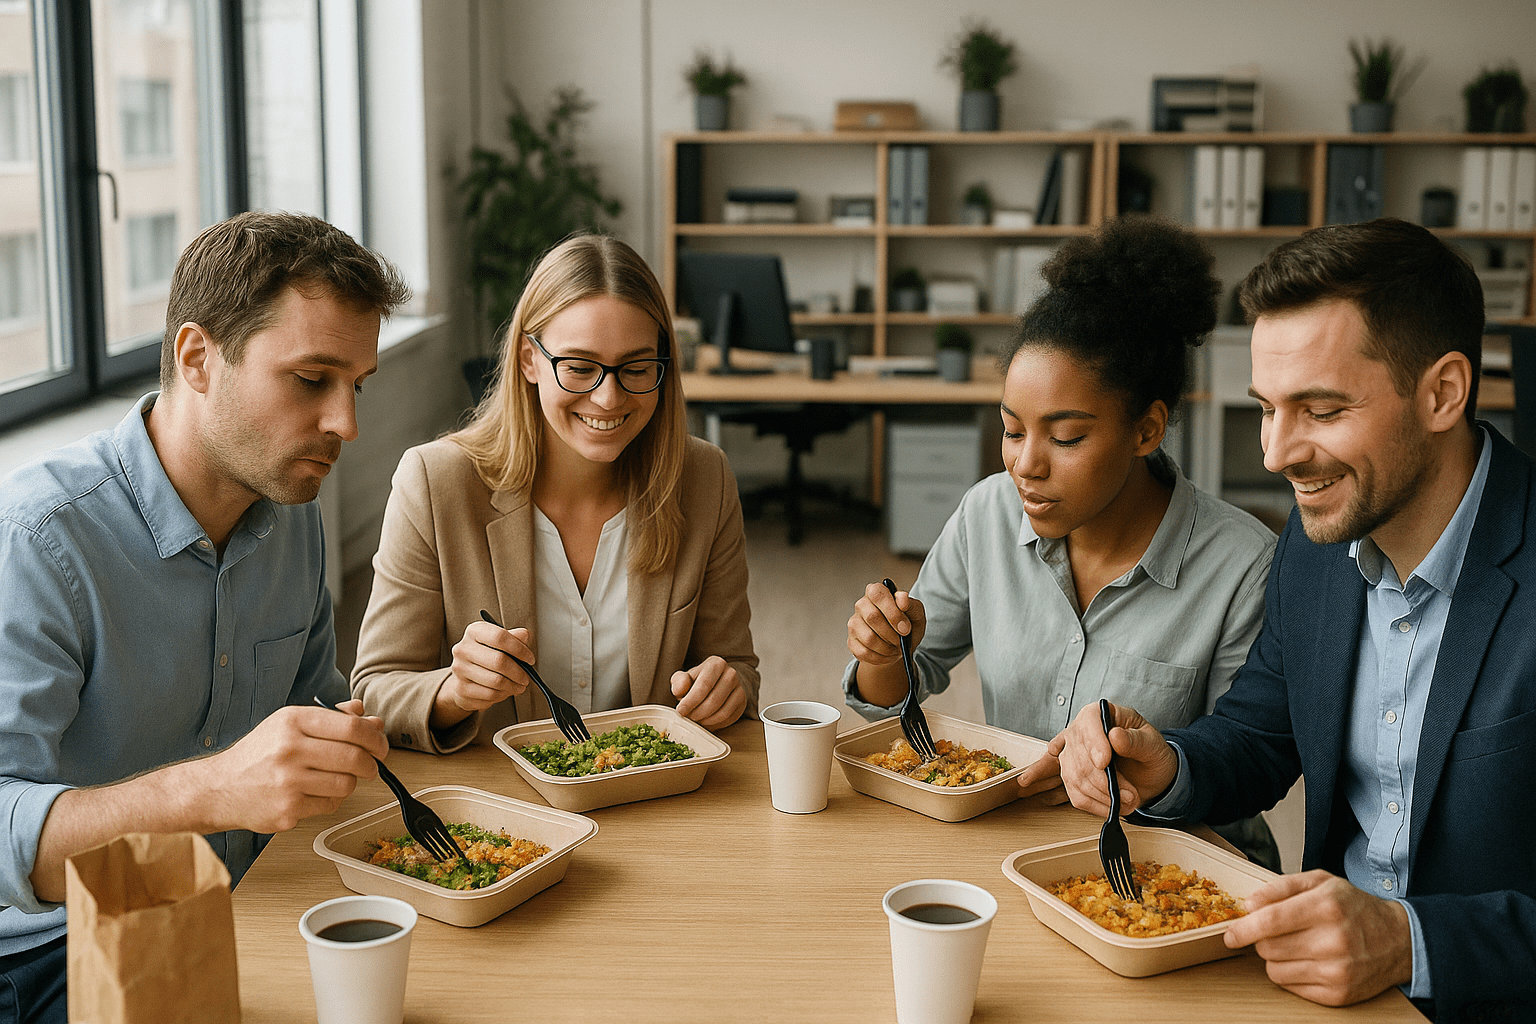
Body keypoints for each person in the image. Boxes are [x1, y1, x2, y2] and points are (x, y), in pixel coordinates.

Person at [1027, 217, 1536, 1020]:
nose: (1276, 454)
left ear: (1442, 393)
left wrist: (1411, 940)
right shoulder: (1317, 536)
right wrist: (1167, 765)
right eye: (1268, 407)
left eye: (1321, 410)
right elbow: (1262, 737)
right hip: (1313, 993)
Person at [0, 210, 409, 1022]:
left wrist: (341, 737)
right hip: (61, 947)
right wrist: (211, 790)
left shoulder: (292, 514)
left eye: (355, 386)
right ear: (196, 357)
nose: (346, 425)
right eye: (311, 379)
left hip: (248, 898)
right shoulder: (40, 541)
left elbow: (313, 700)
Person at [843, 216, 1279, 866]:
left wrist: (1141, 766)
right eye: (1013, 431)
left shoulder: (1243, 564)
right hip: (1018, 850)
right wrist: (883, 652)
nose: (1027, 464)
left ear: (1147, 429)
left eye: (1066, 437)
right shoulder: (987, 513)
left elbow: (1241, 769)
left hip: (1170, 868)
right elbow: (898, 695)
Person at [351, 233, 757, 752]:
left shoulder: (704, 478)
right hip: (501, 810)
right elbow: (375, 690)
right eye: (580, 368)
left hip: (652, 799)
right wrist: (453, 693)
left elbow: (737, 669)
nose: (608, 397)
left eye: (636, 368)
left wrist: (725, 690)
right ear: (529, 360)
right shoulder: (435, 481)